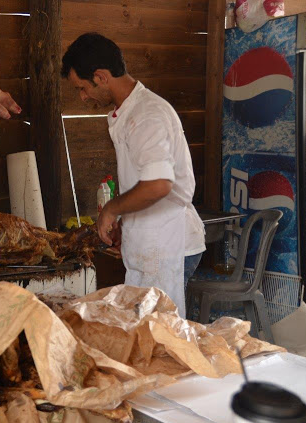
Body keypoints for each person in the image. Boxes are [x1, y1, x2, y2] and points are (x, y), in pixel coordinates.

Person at [61, 33, 205, 317]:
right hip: (151, 241)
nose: (83, 96)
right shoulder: (127, 112)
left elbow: (159, 184)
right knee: (142, 332)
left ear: (101, 77)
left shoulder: (146, 115)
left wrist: (112, 210)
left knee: (162, 335)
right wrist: (126, 222)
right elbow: (142, 182)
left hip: (169, 244)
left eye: (82, 88)